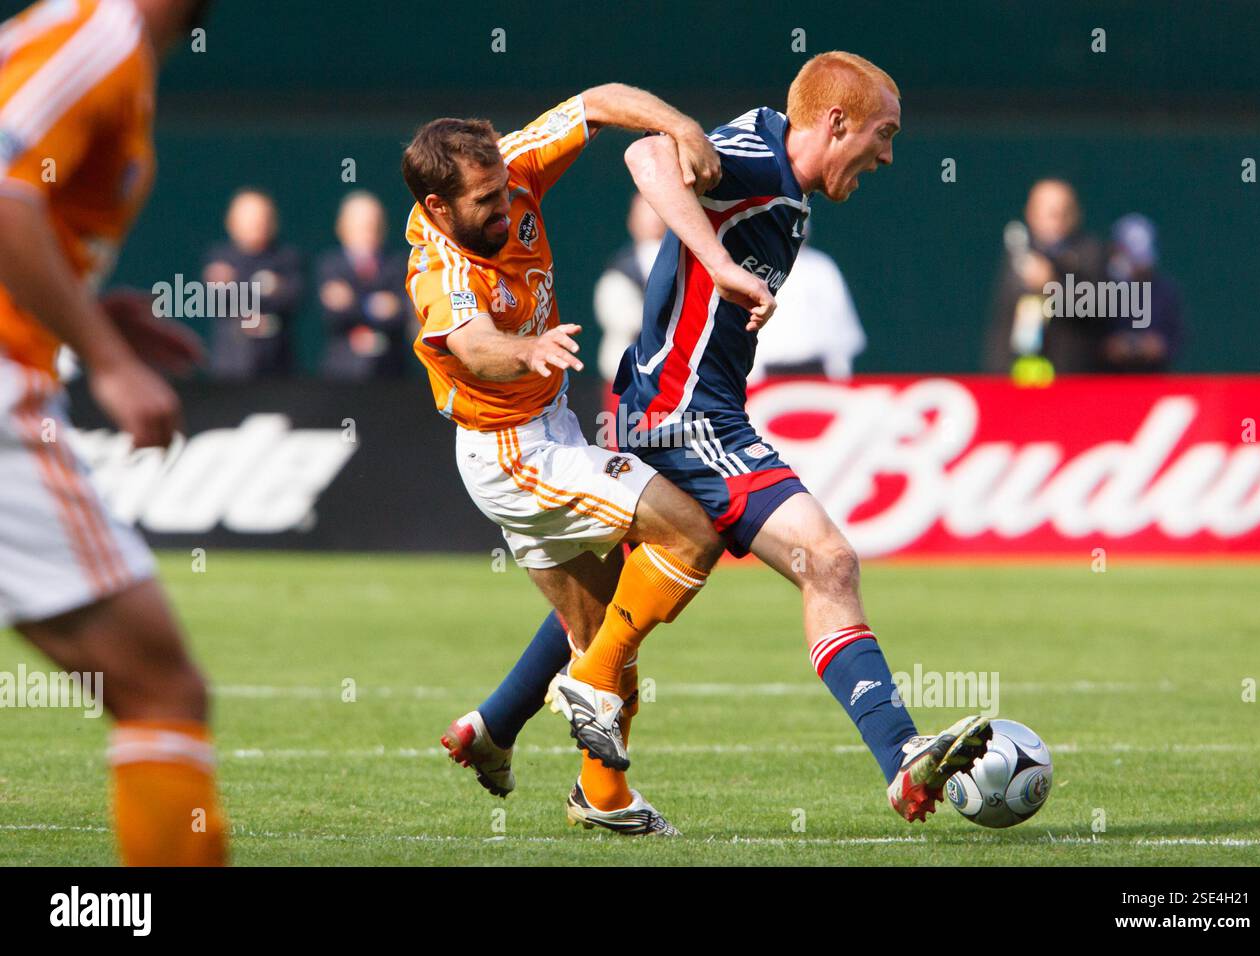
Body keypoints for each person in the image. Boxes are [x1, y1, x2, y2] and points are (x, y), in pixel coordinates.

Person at [448, 52, 992, 828]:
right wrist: (718, 264)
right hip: (686, 416)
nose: (889, 153)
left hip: (672, 405)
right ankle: (900, 754)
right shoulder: (758, 159)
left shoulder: (777, 164)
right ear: (835, 123)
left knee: (612, 585)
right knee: (828, 561)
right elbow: (645, 155)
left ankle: (504, 729)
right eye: (883, 133)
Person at [403, 86, 772, 834]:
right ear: (440, 209)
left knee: (601, 623)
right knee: (691, 533)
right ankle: (584, 684)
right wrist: (526, 349)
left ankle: (570, 777)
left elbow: (598, 102)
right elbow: (473, 345)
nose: (504, 210)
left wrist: (679, 125)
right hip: (511, 452)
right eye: (483, 203)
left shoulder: (510, 168)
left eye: (504, 191)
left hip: (550, 427)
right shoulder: (437, 266)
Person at [0, 0, 225, 865]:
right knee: (160, 687)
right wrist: (104, 356)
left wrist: (86, 313)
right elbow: (7, 195)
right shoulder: (100, 33)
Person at [984, 178, 1106, 378]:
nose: (1056, 219)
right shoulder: (1018, 252)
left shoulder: (1090, 253)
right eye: (1048, 212)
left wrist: (1051, 285)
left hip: (1069, 378)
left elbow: (1096, 310)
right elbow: (1003, 319)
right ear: (1031, 213)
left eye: (1063, 211)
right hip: (1017, 376)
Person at [203, 187, 302, 379]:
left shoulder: (287, 257)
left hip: (278, 366)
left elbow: (293, 298)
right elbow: (218, 302)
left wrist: (238, 284)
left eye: (262, 217)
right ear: (232, 222)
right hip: (230, 366)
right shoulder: (218, 257)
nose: (257, 223)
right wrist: (266, 288)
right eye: (249, 218)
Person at [316, 190, 413, 381]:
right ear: (342, 227)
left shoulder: (399, 264)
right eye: (361, 226)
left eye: (374, 225)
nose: (369, 232)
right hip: (341, 374)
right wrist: (375, 305)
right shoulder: (329, 265)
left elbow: (405, 311)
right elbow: (332, 314)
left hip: (392, 373)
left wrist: (352, 300)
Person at [750, 230, 866, 381]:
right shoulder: (754, 267)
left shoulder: (821, 267)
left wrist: (838, 367)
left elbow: (839, 319)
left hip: (814, 369)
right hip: (767, 369)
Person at [593, 193, 665, 384]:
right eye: (646, 213)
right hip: (629, 378)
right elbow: (624, 321)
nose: (655, 220)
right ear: (632, 221)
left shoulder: (687, 263)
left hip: (678, 377)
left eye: (660, 212)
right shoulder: (619, 271)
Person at [1099, 213, 1184, 373]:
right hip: (1108, 381)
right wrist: (1110, 346)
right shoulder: (1102, 290)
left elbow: (1176, 337)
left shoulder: (1165, 291)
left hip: (1154, 378)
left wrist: (1157, 346)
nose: (1138, 266)